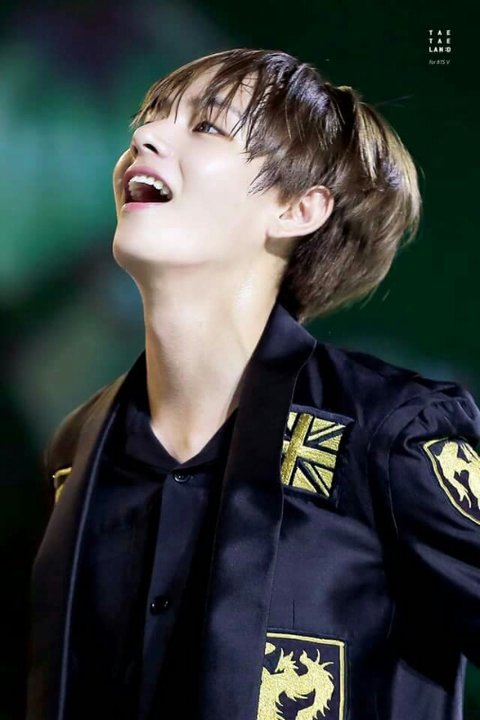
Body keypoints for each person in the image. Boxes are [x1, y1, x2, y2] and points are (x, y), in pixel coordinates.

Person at [27, 48, 480, 720]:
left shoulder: (394, 430)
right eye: (147, 119)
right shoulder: (78, 449)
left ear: (297, 208)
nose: (144, 137)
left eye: (206, 126)